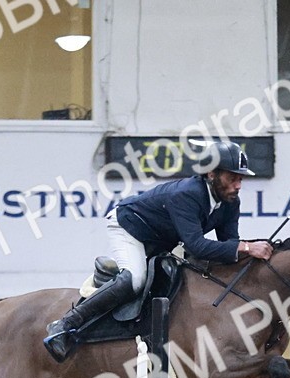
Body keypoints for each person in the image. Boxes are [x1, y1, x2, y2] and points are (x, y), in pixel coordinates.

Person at [43, 140, 273, 362]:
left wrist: (247, 252)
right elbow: (197, 246)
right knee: (135, 279)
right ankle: (64, 324)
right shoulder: (188, 193)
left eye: (240, 179)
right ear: (212, 174)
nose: (238, 185)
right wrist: (247, 247)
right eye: (232, 178)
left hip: (162, 237)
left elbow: (228, 244)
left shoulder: (230, 202)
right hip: (129, 226)